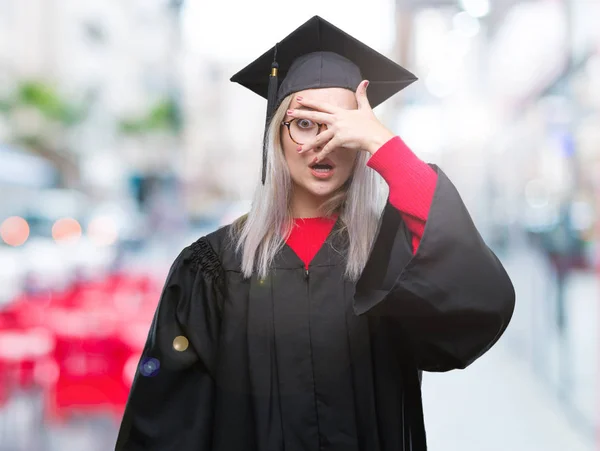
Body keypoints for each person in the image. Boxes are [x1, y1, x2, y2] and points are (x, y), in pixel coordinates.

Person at [115, 16, 515, 451]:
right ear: (277, 134)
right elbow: (165, 427)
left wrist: (387, 148)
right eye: (304, 122)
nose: (323, 142)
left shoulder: (392, 257)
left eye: (342, 126)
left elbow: (479, 304)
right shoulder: (211, 270)